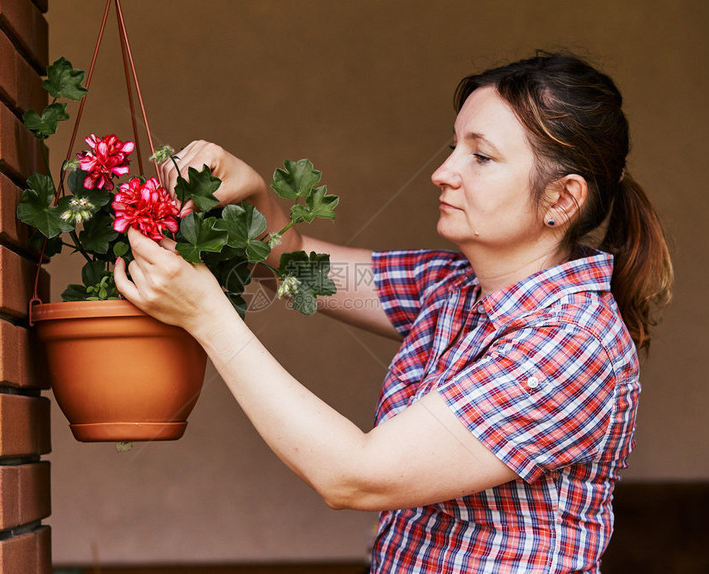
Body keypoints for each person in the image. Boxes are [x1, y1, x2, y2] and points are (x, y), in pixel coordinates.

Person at [113, 52, 673, 572]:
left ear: (562, 200)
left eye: (480, 156)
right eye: (453, 145)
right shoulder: (452, 287)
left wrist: (209, 317)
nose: (444, 171)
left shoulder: (571, 344)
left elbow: (355, 477)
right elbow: (304, 271)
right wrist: (257, 195)